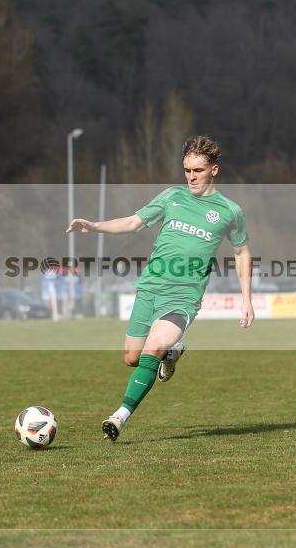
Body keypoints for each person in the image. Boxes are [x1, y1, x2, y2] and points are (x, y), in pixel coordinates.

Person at [66, 135, 253, 441]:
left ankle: (119, 417)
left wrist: (247, 300)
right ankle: (172, 354)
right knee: (132, 358)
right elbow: (133, 223)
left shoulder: (229, 212)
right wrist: (94, 226)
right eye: (187, 170)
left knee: (151, 350)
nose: (191, 176)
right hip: (150, 288)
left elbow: (242, 252)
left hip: (183, 296)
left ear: (214, 170)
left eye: (198, 170)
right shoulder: (171, 197)